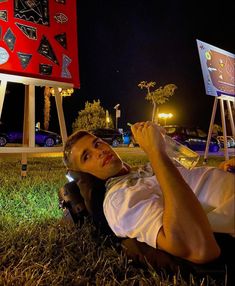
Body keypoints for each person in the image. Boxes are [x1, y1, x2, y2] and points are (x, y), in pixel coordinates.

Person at [63, 121, 234, 266]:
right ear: (84, 174)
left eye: (97, 143)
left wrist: (220, 173)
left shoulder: (141, 173)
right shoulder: (119, 199)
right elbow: (199, 248)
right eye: (87, 156)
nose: (99, 151)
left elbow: (193, 184)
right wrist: (155, 152)